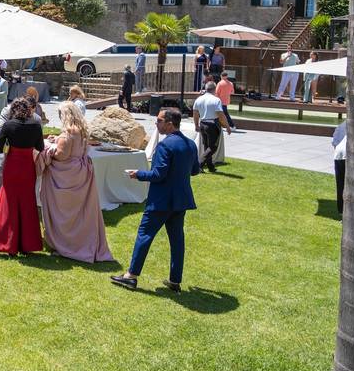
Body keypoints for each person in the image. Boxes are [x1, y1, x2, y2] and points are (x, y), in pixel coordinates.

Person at [111, 108, 200, 292]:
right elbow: (195, 171)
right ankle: (175, 281)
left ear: (169, 123)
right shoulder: (190, 144)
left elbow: (158, 174)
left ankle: (131, 276)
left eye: (159, 120)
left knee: (144, 234)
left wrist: (138, 174)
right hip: (180, 201)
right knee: (177, 241)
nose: (156, 123)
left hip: (161, 201)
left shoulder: (165, 145)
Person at [37, 103, 114, 262]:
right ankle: (79, 242)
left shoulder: (69, 132)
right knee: (79, 213)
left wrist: (50, 146)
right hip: (81, 174)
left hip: (66, 176)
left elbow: (62, 155)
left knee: (63, 213)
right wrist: (57, 139)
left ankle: (65, 245)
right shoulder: (82, 130)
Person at [0, 97, 44, 255]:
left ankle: (8, 243)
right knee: (27, 204)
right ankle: (27, 245)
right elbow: (40, 147)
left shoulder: (8, 125)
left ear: (13, 110)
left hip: (12, 166)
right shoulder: (35, 125)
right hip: (27, 168)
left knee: (9, 204)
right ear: (28, 110)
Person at [0, 94, 42, 208]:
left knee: (17, 195)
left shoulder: (36, 119)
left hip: (16, 162)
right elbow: (40, 147)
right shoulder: (7, 113)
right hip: (15, 162)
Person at [193, 81, 231, 173]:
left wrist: (196, 125)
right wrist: (227, 126)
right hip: (212, 124)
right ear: (214, 89)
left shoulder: (199, 99)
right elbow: (221, 115)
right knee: (213, 147)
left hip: (203, 124)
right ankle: (198, 164)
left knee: (207, 146)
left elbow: (195, 113)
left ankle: (210, 166)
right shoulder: (216, 100)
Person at [332, 120, 347, 214]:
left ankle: (341, 211)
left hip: (338, 156)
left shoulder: (342, 125)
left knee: (340, 184)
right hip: (347, 156)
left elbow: (334, 142)